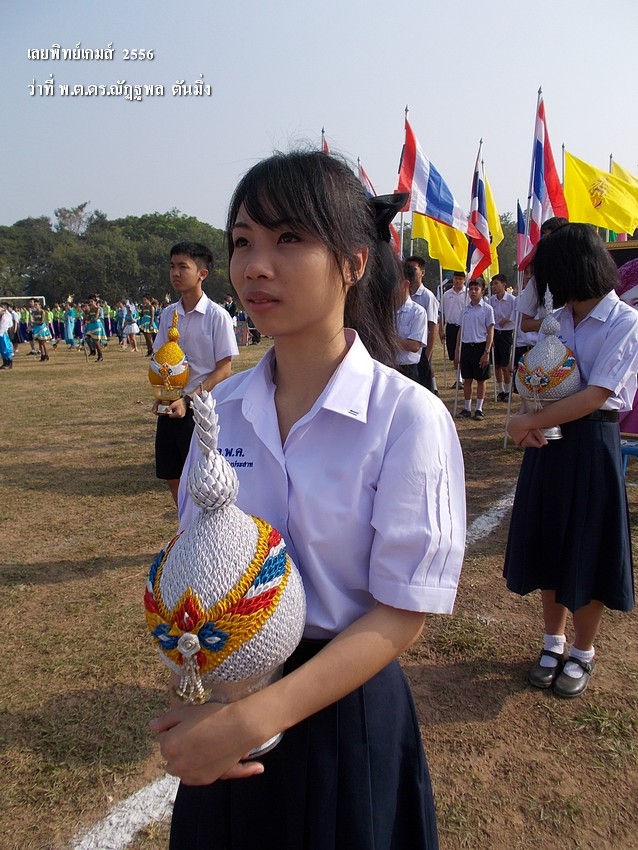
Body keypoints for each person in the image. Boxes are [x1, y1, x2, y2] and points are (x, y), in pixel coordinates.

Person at [150, 151, 466, 850]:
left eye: (289, 238)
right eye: (243, 242)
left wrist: (255, 719)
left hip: (344, 714)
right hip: (228, 699)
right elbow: (197, 565)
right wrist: (198, 693)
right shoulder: (218, 414)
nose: (255, 266)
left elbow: (401, 611)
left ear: (353, 263)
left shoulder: (405, 417)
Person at [504, 223, 638, 699]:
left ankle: (582, 651)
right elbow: (541, 377)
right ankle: (552, 641)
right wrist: (530, 418)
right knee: (551, 540)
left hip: (592, 444)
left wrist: (524, 422)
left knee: (587, 547)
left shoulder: (623, 321)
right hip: (549, 441)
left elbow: (598, 395)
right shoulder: (557, 318)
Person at [153, 241, 238, 506]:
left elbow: (224, 369)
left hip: (202, 409)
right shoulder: (168, 314)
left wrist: (189, 400)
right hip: (171, 405)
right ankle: (184, 525)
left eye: (183, 267)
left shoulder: (217, 316)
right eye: (172, 267)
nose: (175, 273)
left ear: (202, 274)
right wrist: (161, 395)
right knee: (172, 474)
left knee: (202, 477)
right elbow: (160, 360)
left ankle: (199, 525)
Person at [455, 278, 494, 420]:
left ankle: (479, 409)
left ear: (482, 291)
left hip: (480, 346)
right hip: (467, 346)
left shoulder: (487, 309)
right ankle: (467, 408)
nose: (473, 292)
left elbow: (490, 331)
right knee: (467, 379)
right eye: (470, 289)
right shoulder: (465, 310)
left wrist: (486, 351)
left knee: (481, 379)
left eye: (476, 289)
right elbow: (460, 330)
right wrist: (457, 350)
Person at [405, 255, 440, 392]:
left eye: (413, 269)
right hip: (407, 348)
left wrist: (427, 355)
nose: (409, 272)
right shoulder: (404, 293)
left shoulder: (427, 296)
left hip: (421, 348)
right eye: (407, 268)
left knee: (423, 387)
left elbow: (433, 327)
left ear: (422, 272)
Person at [395, 263, 428, 381]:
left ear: (405, 284)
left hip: (408, 371)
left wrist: (389, 340)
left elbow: (414, 345)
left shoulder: (418, 312)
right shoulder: (386, 311)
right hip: (388, 367)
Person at [489, 273, 516, 401]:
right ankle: (501, 390)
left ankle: (508, 390)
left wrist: (507, 319)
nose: (494, 286)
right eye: (492, 284)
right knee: (497, 365)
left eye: (496, 283)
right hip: (495, 332)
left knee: (505, 365)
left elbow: (516, 314)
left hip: (506, 333)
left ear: (503, 284)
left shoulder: (512, 300)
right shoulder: (491, 300)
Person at [439, 270, 466, 387]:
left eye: (460, 279)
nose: (457, 281)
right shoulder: (446, 294)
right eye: (456, 278)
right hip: (451, 327)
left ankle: (464, 377)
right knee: (454, 354)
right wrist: (441, 329)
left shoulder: (468, 294)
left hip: (464, 327)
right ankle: (458, 379)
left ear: (464, 280)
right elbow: (442, 313)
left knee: (463, 353)